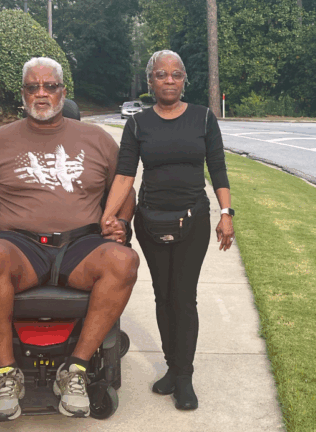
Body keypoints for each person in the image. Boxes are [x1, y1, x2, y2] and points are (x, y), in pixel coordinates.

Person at [0, 57, 140, 422]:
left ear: (63, 93)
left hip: (81, 245)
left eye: (49, 86)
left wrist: (121, 221)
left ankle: (76, 371)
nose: (41, 93)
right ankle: (6, 375)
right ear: (23, 93)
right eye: (33, 87)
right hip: (20, 245)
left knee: (124, 261)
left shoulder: (97, 140)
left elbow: (124, 189)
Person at [100, 50, 235, 411]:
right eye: (162, 75)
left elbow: (217, 168)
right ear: (151, 82)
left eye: (176, 74)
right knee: (162, 296)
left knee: (183, 297)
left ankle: (184, 377)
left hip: (193, 220)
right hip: (151, 220)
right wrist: (109, 216)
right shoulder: (138, 124)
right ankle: (172, 368)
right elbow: (125, 174)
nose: (169, 80)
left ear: (184, 79)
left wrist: (226, 212)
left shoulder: (203, 118)